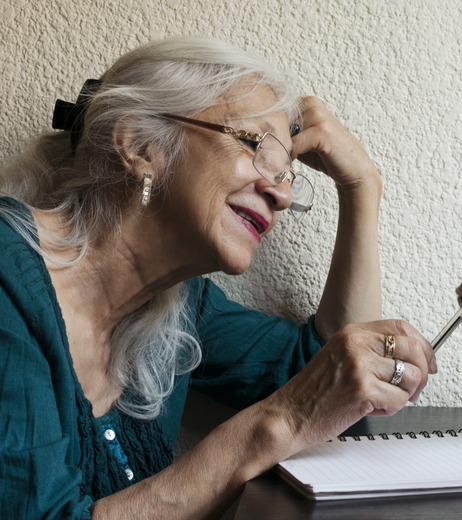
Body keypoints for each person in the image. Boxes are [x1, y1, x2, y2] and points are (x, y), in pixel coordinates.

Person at [0, 36, 435, 518]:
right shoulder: (6, 279)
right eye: (259, 149)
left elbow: (325, 373)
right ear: (139, 143)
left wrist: (361, 186)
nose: (283, 195)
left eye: (288, 172)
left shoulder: (178, 305)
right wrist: (278, 424)